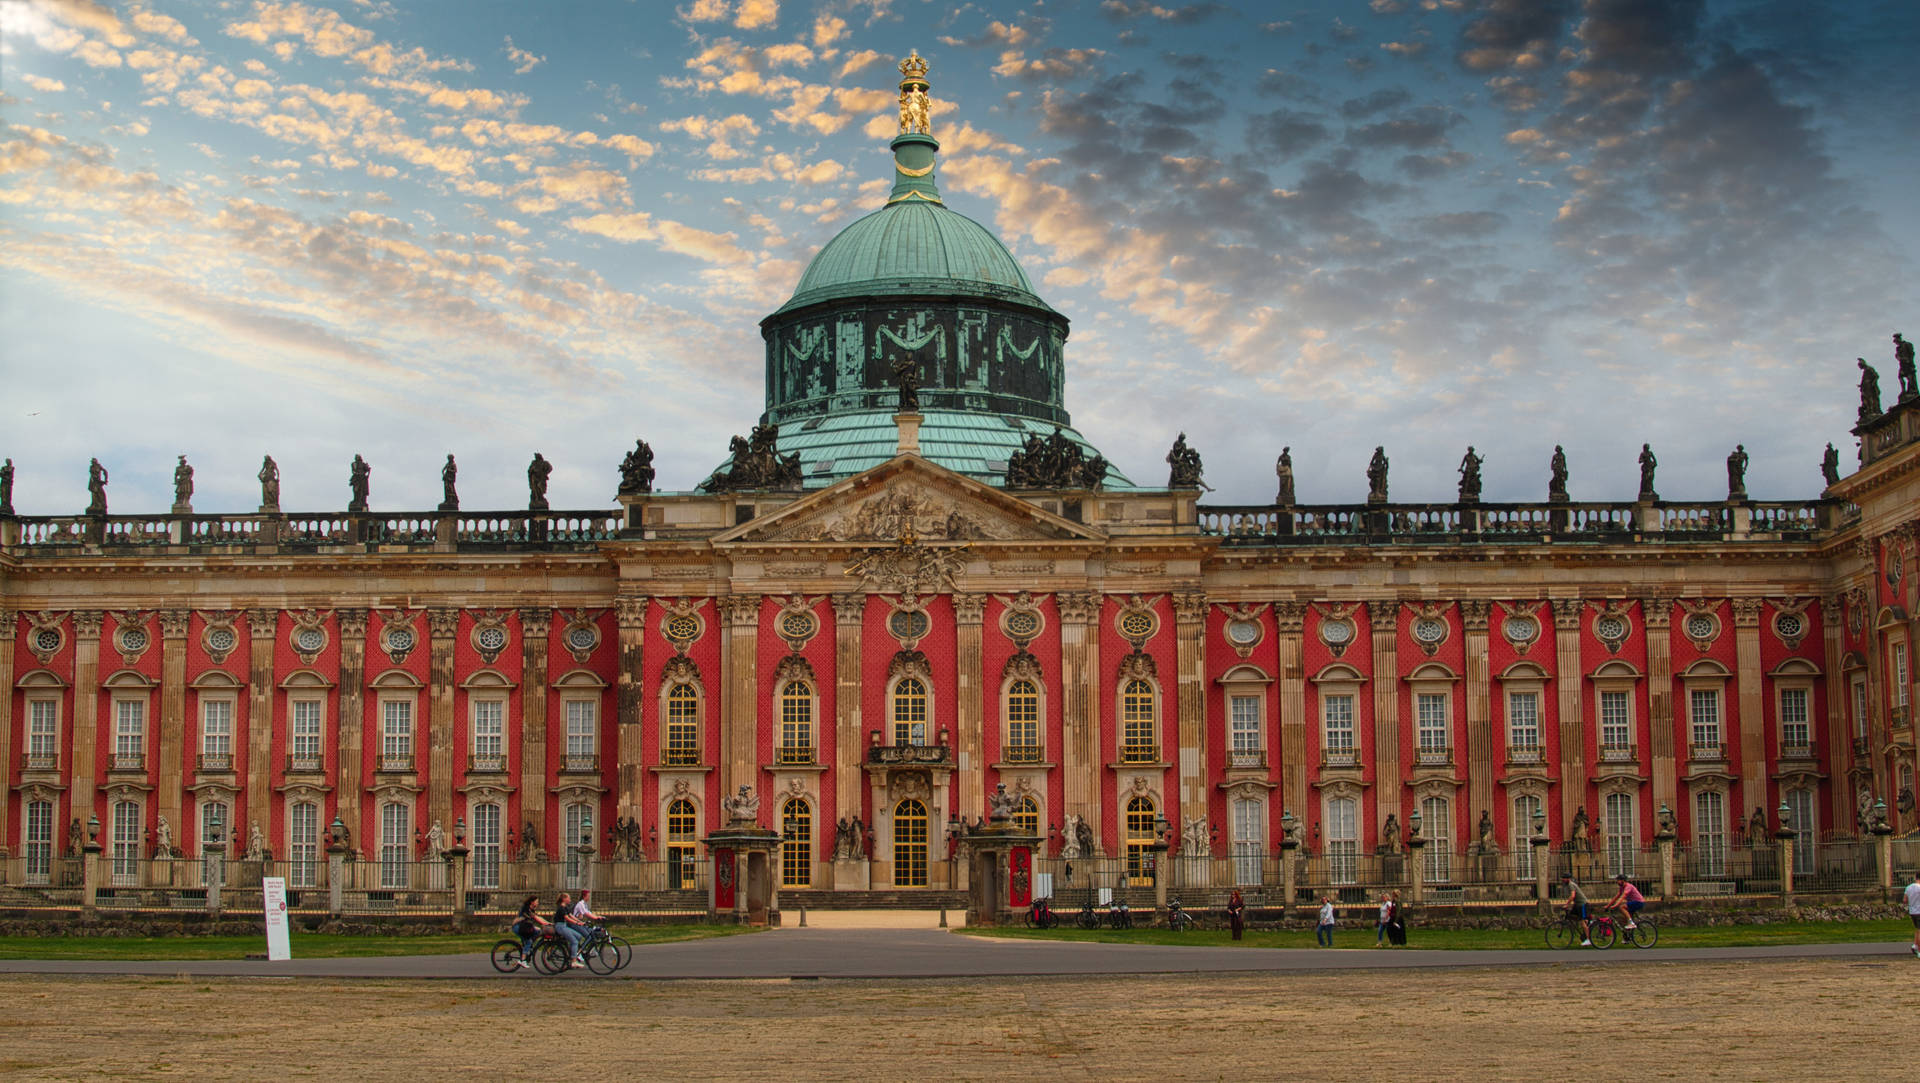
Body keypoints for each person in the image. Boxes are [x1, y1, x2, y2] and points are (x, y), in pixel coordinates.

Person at [512, 894, 550, 970]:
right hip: (519, 928)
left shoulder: (531, 909)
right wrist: (546, 924)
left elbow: (539, 917)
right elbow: (536, 918)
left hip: (525, 927)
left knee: (538, 931)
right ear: (532, 902)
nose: (538, 903)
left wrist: (548, 923)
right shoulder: (526, 909)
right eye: (537, 901)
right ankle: (522, 960)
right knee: (529, 941)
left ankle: (528, 948)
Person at [553, 891, 586, 968]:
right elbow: (567, 918)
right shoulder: (561, 908)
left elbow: (571, 916)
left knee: (579, 936)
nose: (570, 900)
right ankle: (573, 961)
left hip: (564, 926)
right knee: (574, 941)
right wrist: (577, 923)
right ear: (564, 899)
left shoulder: (565, 907)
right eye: (569, 898)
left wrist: (581, 922)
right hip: (560, 927)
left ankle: (572, 954)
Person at [571, 889, 605, 957]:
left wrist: (598, 916)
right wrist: (596, 918)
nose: (589, 897)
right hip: (575, 923)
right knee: (589, 936)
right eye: (588, 896)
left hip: (580, 922)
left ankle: (591, 950)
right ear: (584, 896)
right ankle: (579, 952)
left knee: (592, 932)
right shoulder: (580, 904)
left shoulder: (584, 904)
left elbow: (589, 912)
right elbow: (586, 913)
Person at [1564, 875, 1593, 946]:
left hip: (1582, 904)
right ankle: (1587, 922)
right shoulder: (1569, 885)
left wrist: (1567, 904)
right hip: (1577, 904)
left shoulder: (1571, 884)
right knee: (1572, 916)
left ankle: (1589, 940)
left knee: (1582, 922)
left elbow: (1573, 896)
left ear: (1568, 879)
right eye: (1563, 878)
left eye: (1565, 878)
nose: (1563, 880)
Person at [1904, 870, 1920, 958]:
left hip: (1912, 911)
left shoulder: (1909, 887)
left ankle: (1915, 945)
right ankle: (1918, 950)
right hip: (1919, 911)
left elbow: (1905, 900)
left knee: (1917, 930)